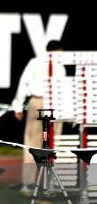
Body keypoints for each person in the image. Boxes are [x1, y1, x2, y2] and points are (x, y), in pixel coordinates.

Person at [12, 40, 64, 195]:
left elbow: (23, 83)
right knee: (53, 144)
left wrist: (18, 105)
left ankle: (29, 184)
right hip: (53, 103)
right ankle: (51, 184)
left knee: (32, 145)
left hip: (39, 101)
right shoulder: (59, 66)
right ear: (57, 50)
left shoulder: (35, 63)